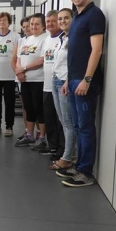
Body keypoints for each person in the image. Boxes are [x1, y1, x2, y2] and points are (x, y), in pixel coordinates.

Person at [58, 0, 106, 187]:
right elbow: (74, 54)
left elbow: (97, 50)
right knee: (78, 126)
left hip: (85, 82)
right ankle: (78, 166)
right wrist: (69, 80)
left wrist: (87, 79)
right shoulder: (77, 16)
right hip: (74, 80)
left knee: (85, 127)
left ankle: (85, 173)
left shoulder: (95, 15)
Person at [14, 13, 48, 147]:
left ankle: (42, 137)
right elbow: (19, 58)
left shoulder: (45, 39)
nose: (33, 26)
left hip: (38, 80)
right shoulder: (28, 39)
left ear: (43, 26)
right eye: (32, 24)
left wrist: (23, 68)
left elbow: (41, 60)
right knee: (29, 108)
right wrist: (19, 71)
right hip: (25, 81)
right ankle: (29, 135)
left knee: (39, 109)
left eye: (37, 24)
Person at [49, 8, 76, 171]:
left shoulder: (75, 38)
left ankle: (67, 158)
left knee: (68, 122)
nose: (62, 21)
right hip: (55, 79)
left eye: (66, 18)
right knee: (62, 120)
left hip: (64, 82)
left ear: (73, 19)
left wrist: (68, 80)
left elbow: (76, 62)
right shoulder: (62, 38)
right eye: (60, 19)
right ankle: (70, 153)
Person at [38, 10, 65, 156]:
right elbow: (44, 59)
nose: (50, 24)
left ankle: (62, 148)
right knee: (49, 118)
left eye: (53, 21)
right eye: (48, 21)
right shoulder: (47, 40)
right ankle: (52, 145)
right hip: (47, 85)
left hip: (60, 85)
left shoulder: (64, 38)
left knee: (61, 119)